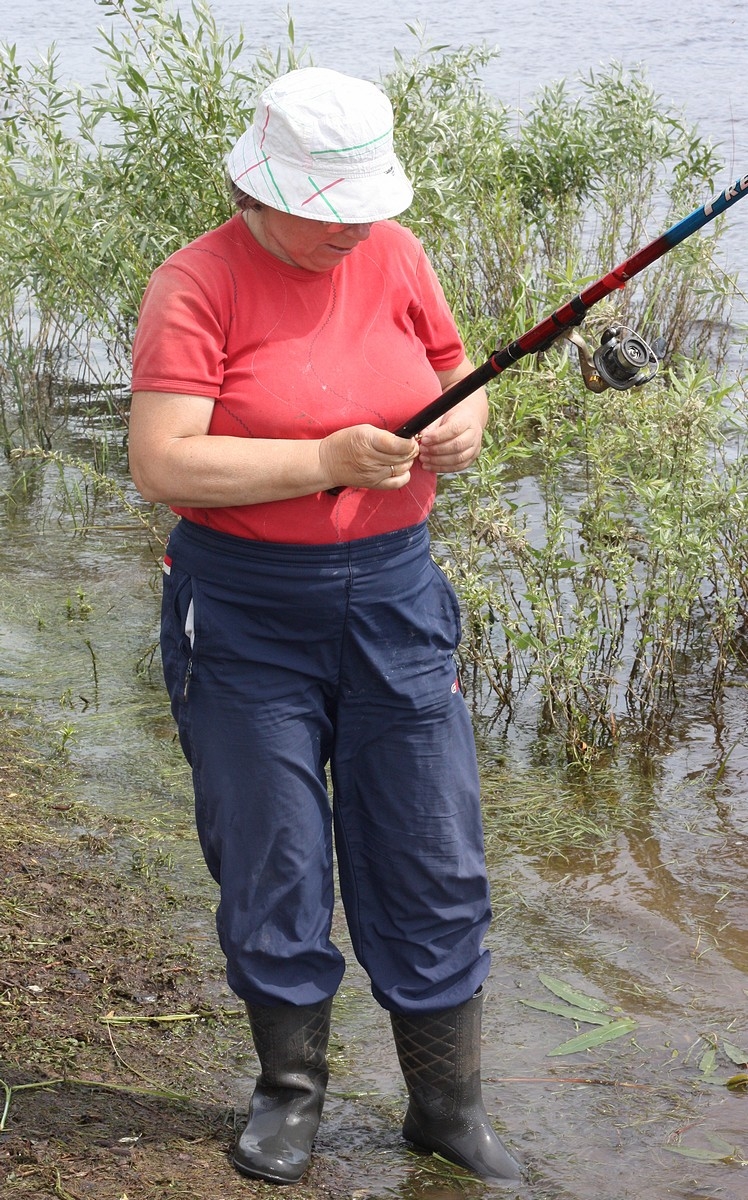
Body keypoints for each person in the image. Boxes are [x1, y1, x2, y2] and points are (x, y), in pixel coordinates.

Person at [128, 66, 521, 1186]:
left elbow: (454, 370)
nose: (349, 231)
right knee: (273, 855)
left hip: (398, 595)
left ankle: (445, 1105)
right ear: (259, 187)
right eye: (325, 210)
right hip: (244, 609)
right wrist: (320, 460)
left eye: (363, 207)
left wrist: (465, 427)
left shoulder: (394, 254)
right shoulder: (196, 282)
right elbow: (162, 460)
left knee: (433, 850)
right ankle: (290, 1091)